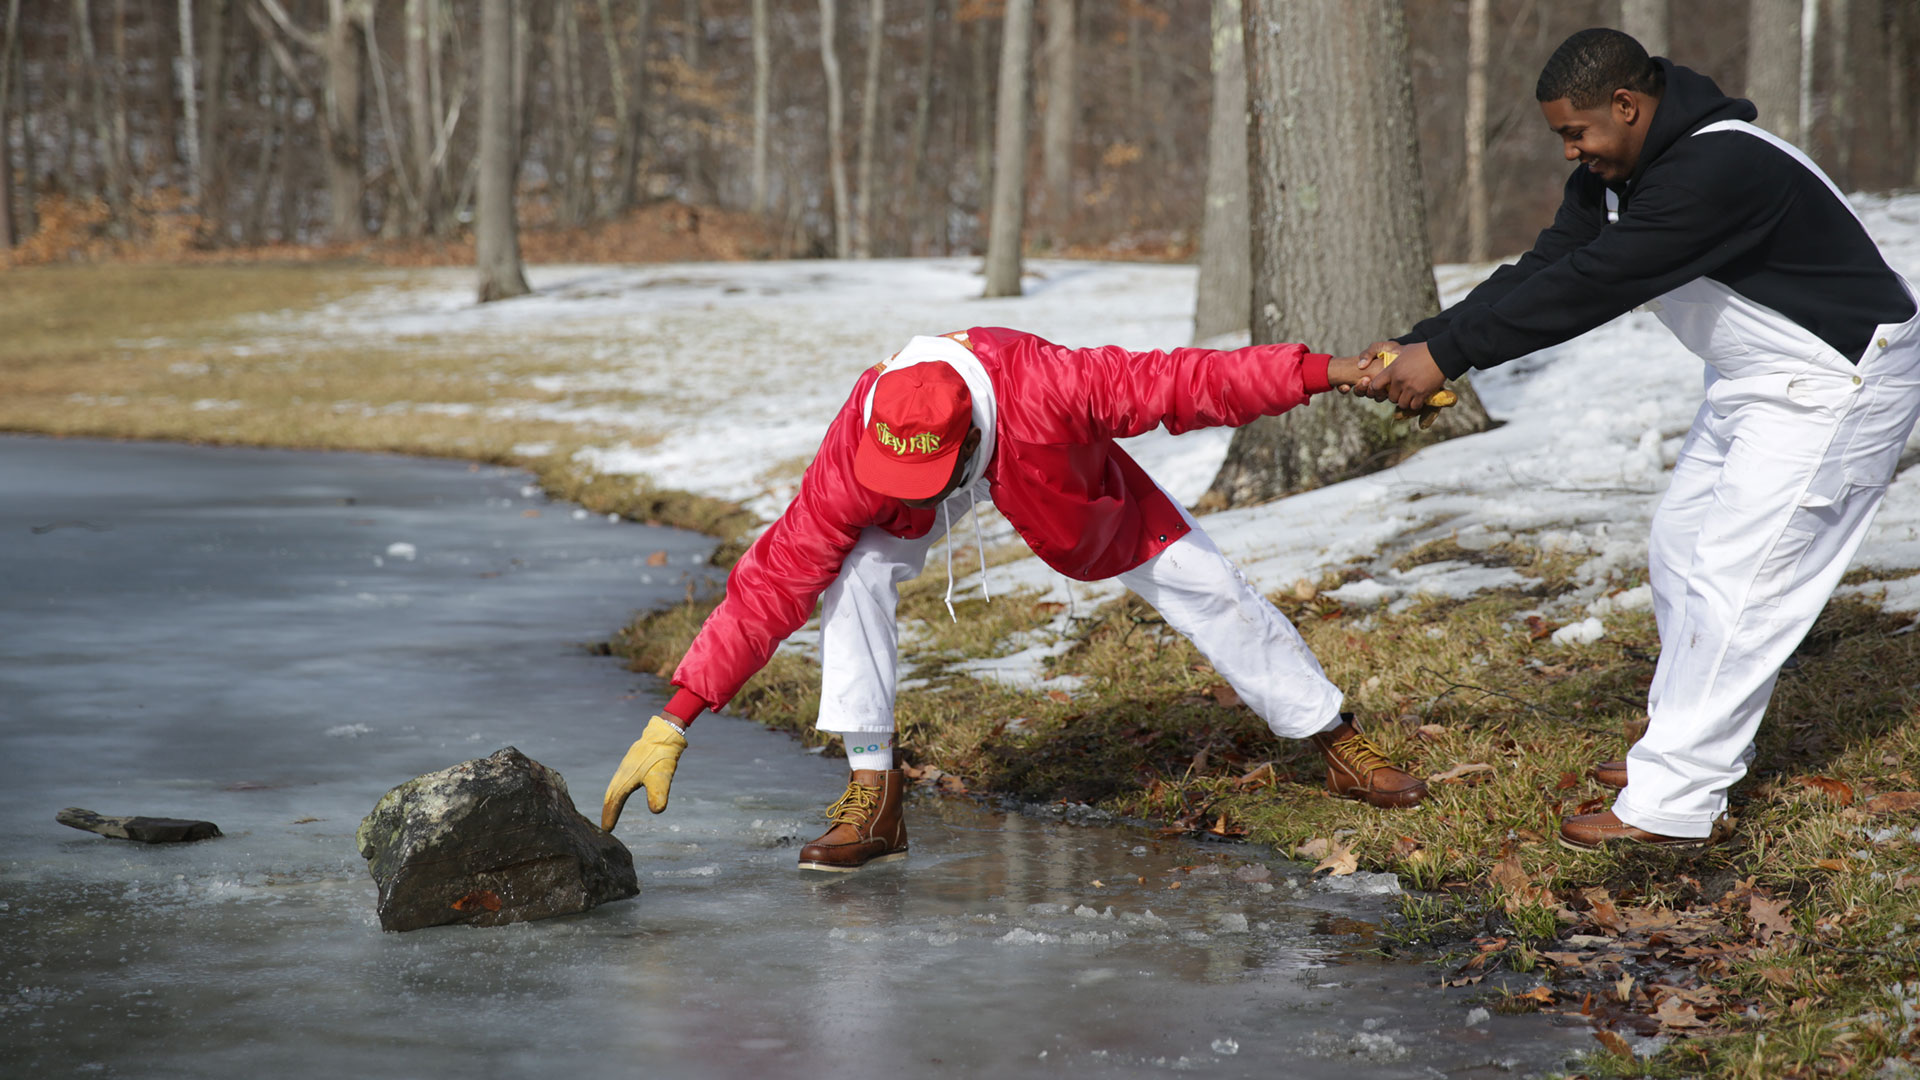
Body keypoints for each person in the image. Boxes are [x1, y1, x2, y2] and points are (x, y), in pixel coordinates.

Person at [1356, 28, 1919, 850]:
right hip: (1758, 380)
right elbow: (1548, 264)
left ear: (1628, 105)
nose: (1570, 151)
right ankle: (1680, 747)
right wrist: (1425, 340)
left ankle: (1675, 805)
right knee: (1682, 548)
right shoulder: (1618, 171)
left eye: (1576, 132)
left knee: (1741, 583)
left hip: (1836, 382)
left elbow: (1596, 285)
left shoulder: (1719, 168)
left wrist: (1449, 355)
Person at [601, 328, 1429, 871]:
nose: (920, 496)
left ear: (964, 441)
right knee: (852, 573)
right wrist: (674, 715)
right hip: (945, 457)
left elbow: (1190, 381)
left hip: (1058, 476)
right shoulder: (866, 433)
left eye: (931, 479)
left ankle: (1332, 736)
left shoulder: (1051, 384)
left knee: (1205, 583)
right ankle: (876, 797)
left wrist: (1329, 372)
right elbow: (775, 576)